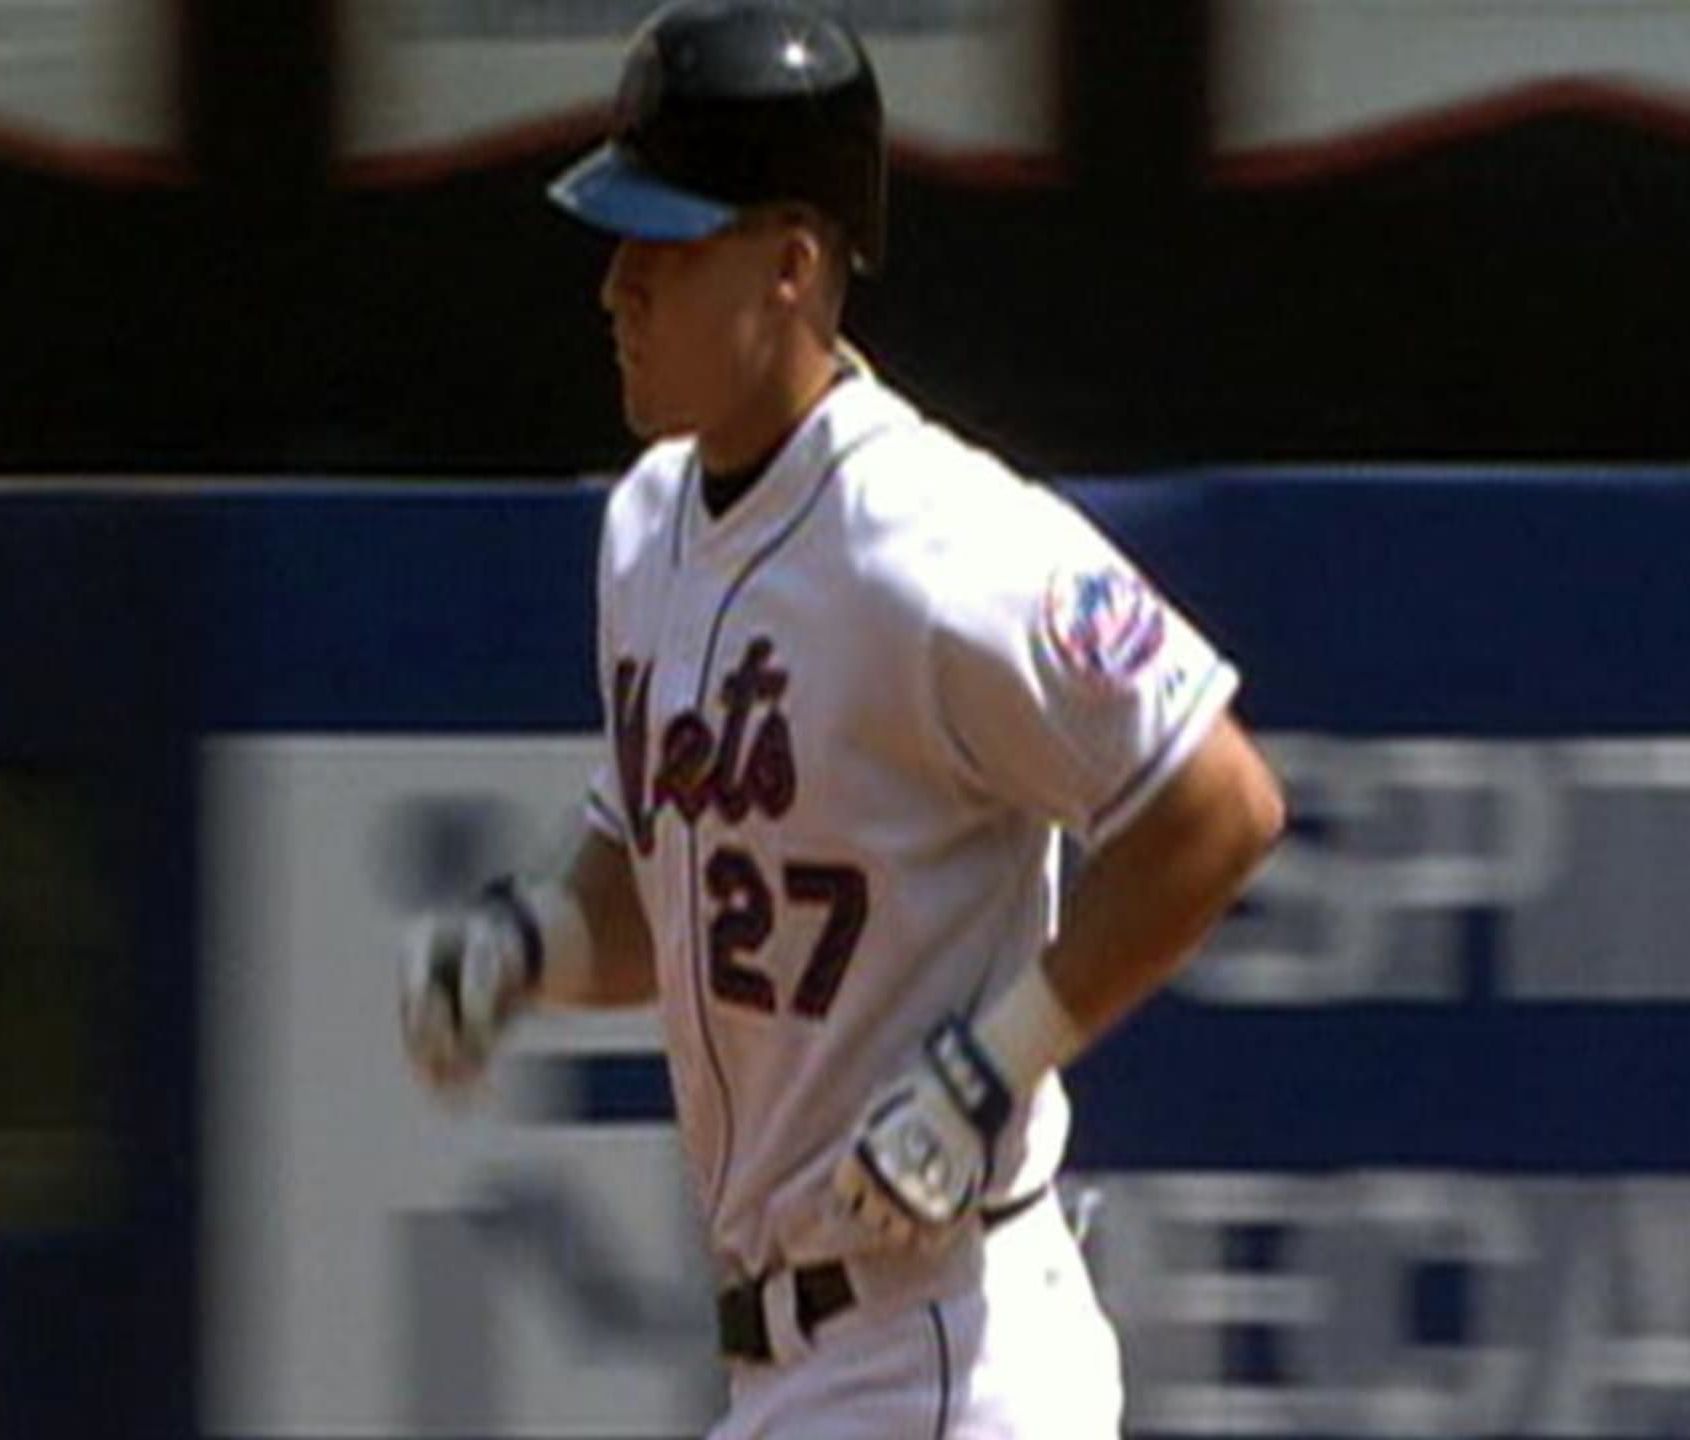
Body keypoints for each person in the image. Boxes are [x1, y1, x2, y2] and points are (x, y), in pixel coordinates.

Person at [399, 2, 1286, 1434]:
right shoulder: (644, 531)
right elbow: (664, 901)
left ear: (792, 266)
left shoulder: (932, 543)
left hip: (948, 1344)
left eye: (666, 245)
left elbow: (1219, 808)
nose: (618, 287)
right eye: (620, 243)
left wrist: (989, 1070)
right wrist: (521, 946)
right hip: (804, 1367)